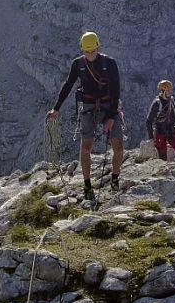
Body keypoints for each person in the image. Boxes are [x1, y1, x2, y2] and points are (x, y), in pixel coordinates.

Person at [47, 31, 123, 200]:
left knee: (118, 146)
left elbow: (116, 90)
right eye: (86, 52)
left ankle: (115, 180)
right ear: (82, 50)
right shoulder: (78, 64)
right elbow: (68, 85)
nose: (89, 55)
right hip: (88, 106)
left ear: (98, 47)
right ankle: (88, 186)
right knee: (86, 147)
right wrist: (56, 108)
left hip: (108, 104)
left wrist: (111, 117)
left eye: (92, 51)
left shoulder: (109, 63)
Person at [145, 79, 175, 164]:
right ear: (162, 91)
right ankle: (163, 174)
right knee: (162, 157)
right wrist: (151, 138)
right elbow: (149, 121)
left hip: (171, 130)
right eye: (167, 90)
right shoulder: (157, 104)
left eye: (170, 90)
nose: (170, 92)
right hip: (160, 132)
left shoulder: (173, 102)